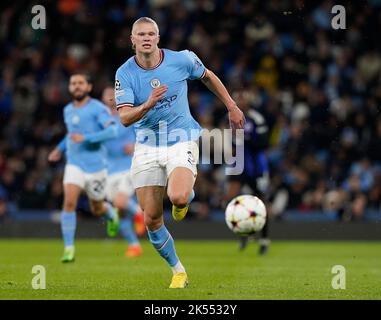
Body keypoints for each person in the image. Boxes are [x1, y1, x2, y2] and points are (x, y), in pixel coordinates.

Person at [114, 17, 245, 288]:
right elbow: (125, 118)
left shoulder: (182, 59)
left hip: (180, 139)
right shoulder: (124, 74)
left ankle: (184, 199)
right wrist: (148, 104)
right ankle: (178, 271)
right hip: (147, 145)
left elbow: (208, 77)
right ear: (133, 39)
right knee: (151, 218)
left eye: (151, 33)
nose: (147, 38)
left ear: (158, 38)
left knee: (178, 195)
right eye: (141, 34)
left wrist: (231, 106)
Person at [48, 74, 120, 263]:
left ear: (88, 87)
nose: (76, 86)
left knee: (97, 208)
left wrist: (87, 138)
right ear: (70, 88)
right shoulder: (68, 110)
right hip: (74, 164)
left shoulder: (98, 108)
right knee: (69, 202)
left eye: (80, 83)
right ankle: (69, 248)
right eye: (73, 83)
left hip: (96, 167)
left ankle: (111, 214)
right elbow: (71, 135)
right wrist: (59, 149)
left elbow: (112, 131)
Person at [226, 88, 271, 255]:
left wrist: (245, 138)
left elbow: (264, 143)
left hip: (255, 166)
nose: (240, 100)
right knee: (233, 200)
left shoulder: (256, 118)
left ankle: (265, 239)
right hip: (237, 164)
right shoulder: (229, 116)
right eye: (237, 97)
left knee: (261, 202)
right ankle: (244, 234)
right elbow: (230, 142)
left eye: (243, 97)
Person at [101, 86, 145, 258]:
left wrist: (135, 146)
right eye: (107, 94)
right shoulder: (100, 120)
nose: (111, 96)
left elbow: (146, 135)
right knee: (119, 211)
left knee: (120, 202)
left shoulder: (130, 116)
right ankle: (134, 245)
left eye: (114, 94)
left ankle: (139, 214)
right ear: (103, 98)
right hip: (109, 169)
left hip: (129, 166)